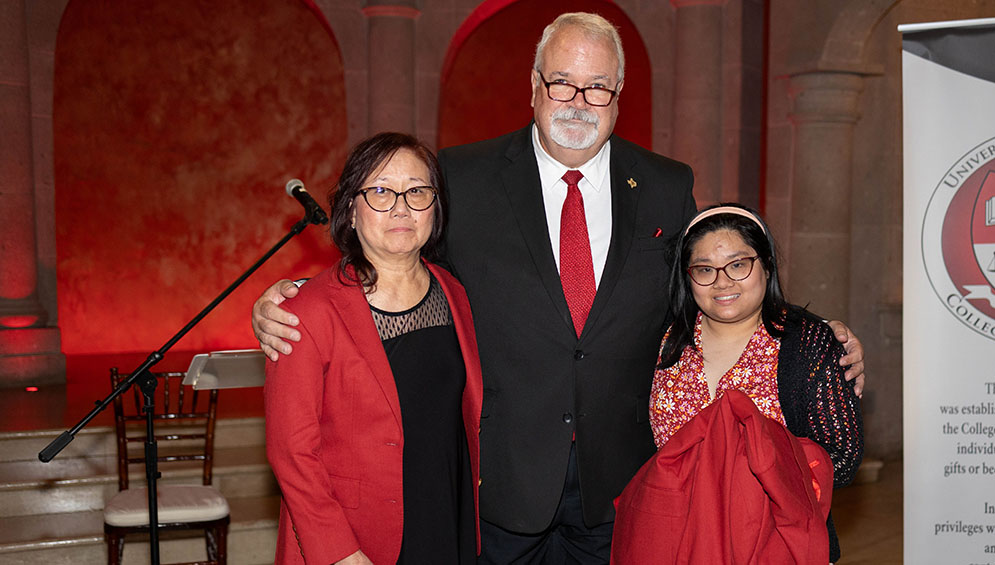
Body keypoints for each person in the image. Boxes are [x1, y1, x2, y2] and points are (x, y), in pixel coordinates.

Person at [254, 13, 865, 563]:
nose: (578, 101)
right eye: (562, 83)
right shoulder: (463, 178)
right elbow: (393, 253)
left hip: (622, 483)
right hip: (500, 485)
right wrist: (291, 298)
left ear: (618, 97)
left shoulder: (664, 185)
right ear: (534, 86)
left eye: (597, 86)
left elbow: (710, 288)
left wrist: (809, 338)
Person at [263, 133, 481, 564]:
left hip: (446, 521)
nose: (401, 206)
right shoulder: (307, 312)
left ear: (435, 208)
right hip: (355, 539)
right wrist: (340, 553)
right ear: (350, 208)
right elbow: (290, 452)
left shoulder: (454, 293)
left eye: (417, 191)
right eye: (380, 191)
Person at [642, 204, 863, 563]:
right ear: (687, 278)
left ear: (767, 265)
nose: (722, 281)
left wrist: (750, 475)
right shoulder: (666, 340)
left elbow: (843, 456)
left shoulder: (808, 343)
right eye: (704, 270)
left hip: (774, 542)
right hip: (678, 541)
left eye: (738, 264)